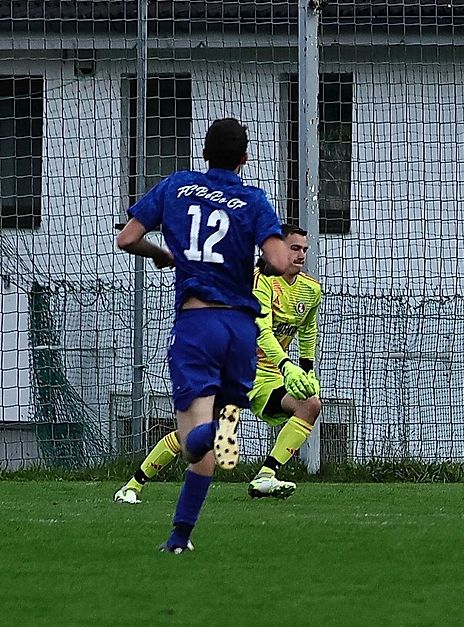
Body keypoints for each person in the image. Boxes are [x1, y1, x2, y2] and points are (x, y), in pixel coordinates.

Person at [116, 118, 289, 552]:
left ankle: (204, 437)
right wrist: (267, 263)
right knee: (220, 425)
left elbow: (128, 237)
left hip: (198, 326)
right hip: (242, 329)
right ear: (245, 158)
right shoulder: (253, 199)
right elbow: (280, 260)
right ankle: (180, 537)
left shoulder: (177, 186)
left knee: (195, 442)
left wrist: (161, 255)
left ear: (204, 152)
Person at [113, 224, 323, 503]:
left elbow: (308, 328)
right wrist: (287, 364)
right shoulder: (258, 282)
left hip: (267, 376)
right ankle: (132, 486)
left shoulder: (310, 289)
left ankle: (265, 477)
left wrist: (306, 369)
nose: (300, 255)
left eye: (304, 250)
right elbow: (263, 329)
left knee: (310, 404)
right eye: (294, 248)